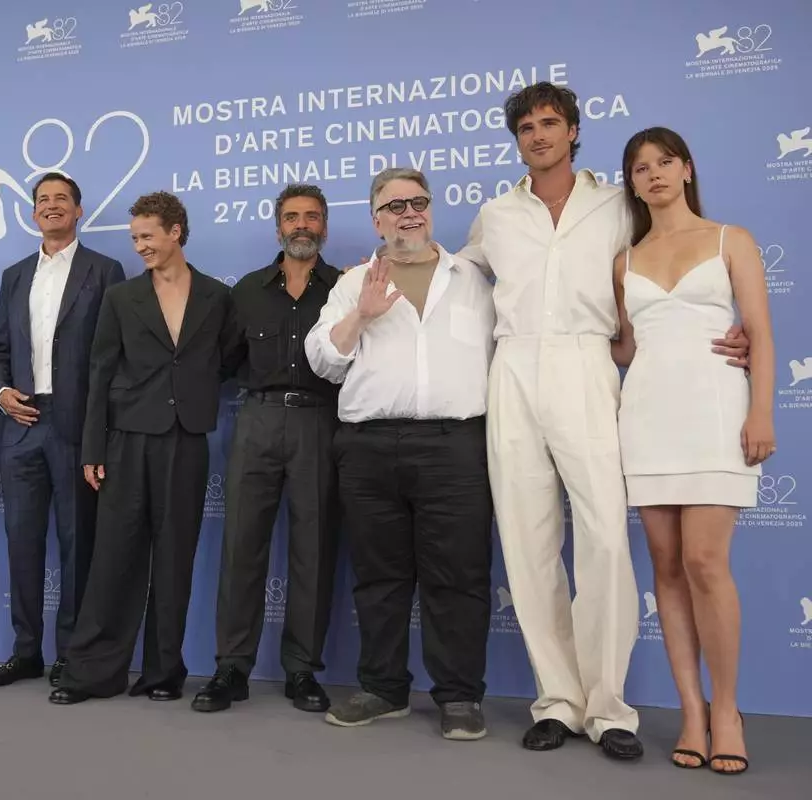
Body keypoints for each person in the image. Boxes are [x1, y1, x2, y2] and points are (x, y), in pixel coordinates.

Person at [457, 82, 750, 759]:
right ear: (516, 140)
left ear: (573, 130)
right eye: (526, 127)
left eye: (549, 123)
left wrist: (726, 332)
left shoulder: (618, 204)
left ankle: (610, 708)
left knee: (605, 542)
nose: (538, 135)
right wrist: (388, 262)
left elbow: (666, 274)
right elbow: (452, 281)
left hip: (588, 363)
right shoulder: (495, 214)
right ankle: (557, 701)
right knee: (527, 544)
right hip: (513, 368)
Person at [306, 169, 496, 739]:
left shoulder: (473, 279)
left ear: (431, 209)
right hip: (368, 448)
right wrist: (362, 314)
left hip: (455, 446)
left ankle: (459, 695)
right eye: (394, 206)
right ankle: (383, 689)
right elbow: (323, 361)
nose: (408, 213)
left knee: (459, 575)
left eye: (418, 202)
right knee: (379, 577)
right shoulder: (353, 283)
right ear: (376, 220)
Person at [613, 127, 773, 775]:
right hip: (646, 418)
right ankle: (691, 711)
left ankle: (728, 710)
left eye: (664, 162)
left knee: (706, 561)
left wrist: (761, 410)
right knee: (667, 566)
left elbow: (760, 332)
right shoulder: (624, 260)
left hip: (715, 413)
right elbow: (625, 347)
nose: (652, 174)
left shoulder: (731, 239)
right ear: (631, 182)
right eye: (639, 167)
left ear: (686, 168)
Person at [49, 191, 234, 705]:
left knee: (175, 560)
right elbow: (100, 372)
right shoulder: (121, 297)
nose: (140, 246)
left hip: (186, 439)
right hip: (126, 439)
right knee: (114, 558)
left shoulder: (217, 297)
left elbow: (226, 360)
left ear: (176, 232)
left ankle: (163, 673)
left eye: (147, 236)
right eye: (134, 239)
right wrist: (93, 449)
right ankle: (92, 673)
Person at [191, 183, 340, 715]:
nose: (302, 225)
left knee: (314, 548)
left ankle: (302, 670)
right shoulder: (247, 292)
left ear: (324, 226)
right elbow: (223, 362)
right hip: (256, 420)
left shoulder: (345, 288)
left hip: (320, 422)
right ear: (278, 227)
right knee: (241, 545)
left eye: (311, 217)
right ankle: (232, 668)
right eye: (292, 217)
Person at [0, 173, 125, 690]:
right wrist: (1, 392)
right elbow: (0, 349)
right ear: (33, 213)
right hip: (20, 428)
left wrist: (98, 426)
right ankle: (25, 652)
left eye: (62, 199)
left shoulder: (105, 271)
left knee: (77, 544)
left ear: (79, 211)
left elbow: (111, 355)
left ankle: (73, 654)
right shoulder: (14, 275)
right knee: (22, 543)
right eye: (43, 200)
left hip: (76, 428)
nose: (52, 206)